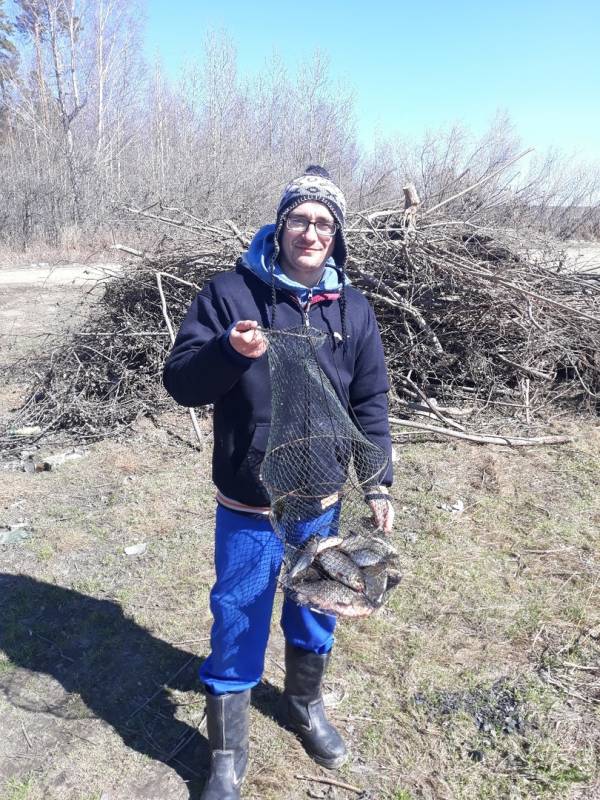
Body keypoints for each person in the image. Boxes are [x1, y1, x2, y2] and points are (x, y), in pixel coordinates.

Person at [163, 165, 394, 799]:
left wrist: (379, 485)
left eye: (323, 222)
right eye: (300, 218)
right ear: (280, 224)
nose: (310, 231)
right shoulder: (230, 294)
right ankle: (227, 758)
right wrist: (228, 353)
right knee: (238, 617)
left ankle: (303, 704)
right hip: (248, 503)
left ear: (336, 235)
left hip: (321, 505)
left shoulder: (353, 309)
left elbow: (370, 402)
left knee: (317, 609)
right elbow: (182, 380)